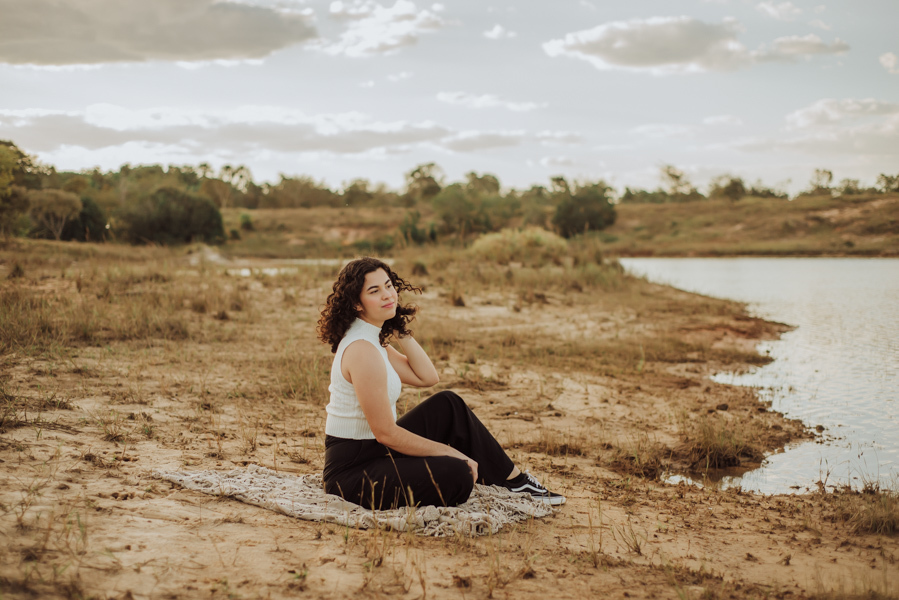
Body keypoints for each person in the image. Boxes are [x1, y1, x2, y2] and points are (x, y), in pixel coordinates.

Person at [317, 257, 566, 510]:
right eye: (374, 291)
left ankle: (516, 481)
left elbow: (427, 377)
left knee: (448, 404)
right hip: (353, 473)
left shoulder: (373, 340)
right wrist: (451, 453)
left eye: (389, 285)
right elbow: (385, 433)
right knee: (457, 473)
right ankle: (471, 471)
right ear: (357, 304)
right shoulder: (362, 350)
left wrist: (399, 329)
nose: (387, 295)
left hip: (376, 452)